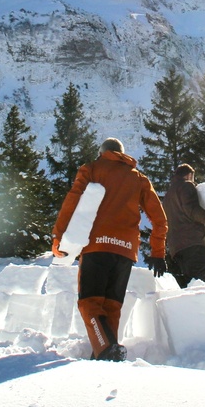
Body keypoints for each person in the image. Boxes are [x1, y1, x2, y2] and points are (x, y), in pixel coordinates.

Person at [51, 137, 168, 361]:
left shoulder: (92, 169)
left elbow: (72, 200)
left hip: (97, 246)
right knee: (112, 306)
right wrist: (157, 252)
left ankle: (105, 349)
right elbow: (160, 219)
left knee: (89, 302)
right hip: (125, 251)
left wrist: (59, 235)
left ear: (102, 152)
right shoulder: (139, 178)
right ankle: (106, 355)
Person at [161, 164, 205, 288]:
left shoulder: (168, 196)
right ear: (189, 175)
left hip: (176, 247)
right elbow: (193, 210)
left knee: (188, 283)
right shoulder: (186, 186)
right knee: (198, 283)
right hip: (192, 241)